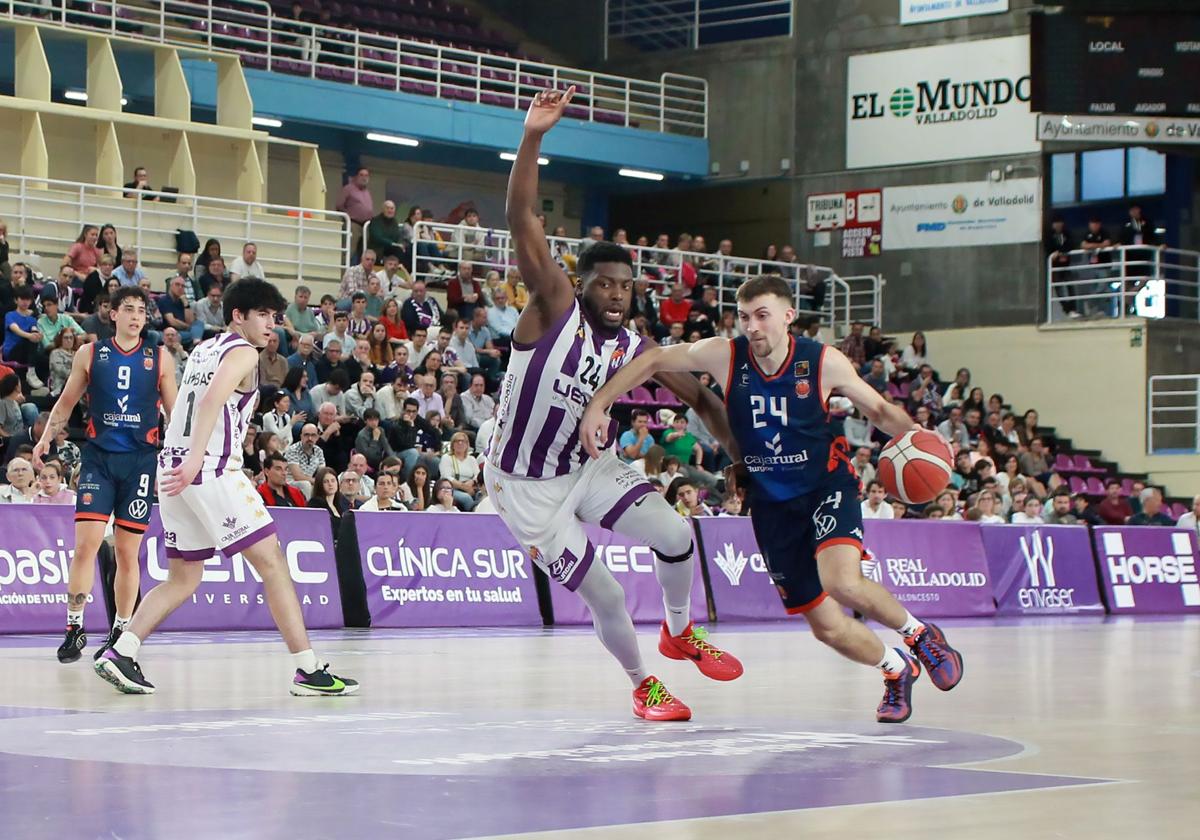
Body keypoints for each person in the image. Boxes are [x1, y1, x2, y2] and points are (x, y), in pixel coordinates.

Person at [583, 273, 965, 724]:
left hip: (826, 486)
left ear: (788, 316)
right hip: (770, 502)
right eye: (745, 317)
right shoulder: (726, 356)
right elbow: (653, 359)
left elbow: (879, 410)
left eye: (762, 316)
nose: (753, 326)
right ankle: (896, 668)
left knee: (842, 580)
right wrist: (599, 403)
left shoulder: (823, 361)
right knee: (825, 628)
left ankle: (921, 635)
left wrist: (924, 438)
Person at [486, 87, 743, 724]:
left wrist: (744, 457)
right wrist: (533, 137)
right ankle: (642, 684)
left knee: (677, 534)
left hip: (587, 467)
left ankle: (679, 630)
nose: (619, 295)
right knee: (604, 592)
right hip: (526, 486)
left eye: (628, 287)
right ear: (583, 284)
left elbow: (701, 398)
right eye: (607, 284)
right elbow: (523, 221)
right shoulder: (552, 305)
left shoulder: (637, 345)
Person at [94, 278, 357, 696]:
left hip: (175, 469)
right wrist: (198, 457)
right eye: (263, 315)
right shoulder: (244, 352)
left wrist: (184, 455)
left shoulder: (204, 349)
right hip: (209, 469)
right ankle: (307, 669)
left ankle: (122, 650)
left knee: (184, 577)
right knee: (273, 564)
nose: (272, 325)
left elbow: (183, 401)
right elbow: (212, 399)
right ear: (239, 316)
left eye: (275, 317)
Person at [34, 286, 178, 665]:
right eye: (127, 309)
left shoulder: (159, 358)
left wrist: (183, 456)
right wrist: (45, 439)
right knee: (87, 545)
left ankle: (121, 629)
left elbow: (175, 415)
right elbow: (65, 404)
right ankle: (74, 627)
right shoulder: (91, 353)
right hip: (99, 460)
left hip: (140, 463)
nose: (135, 316)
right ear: (112, 314)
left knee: (129, 553)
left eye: (141, 311)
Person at [307, 467, 350, 531]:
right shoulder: (315, 503)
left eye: (333, 481)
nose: (330, 484)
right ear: (320, 484)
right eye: (326, 482)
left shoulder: (342, 502)